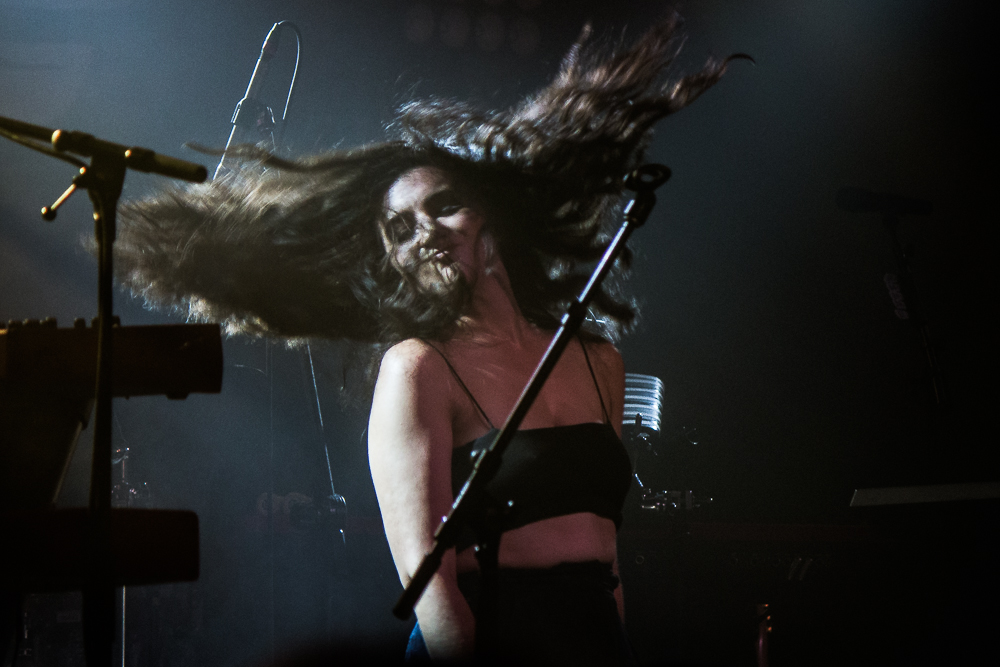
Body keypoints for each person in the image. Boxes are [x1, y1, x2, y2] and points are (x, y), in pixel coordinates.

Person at [113, 15, 743, 664]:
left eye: (442, 206)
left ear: (492, 213)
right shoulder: (418, 368)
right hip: (484, 637)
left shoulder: (598, 360)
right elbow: (432, 591)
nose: (426, 233)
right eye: (401, 228)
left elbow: (607, 558)